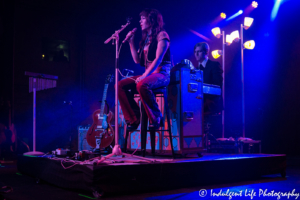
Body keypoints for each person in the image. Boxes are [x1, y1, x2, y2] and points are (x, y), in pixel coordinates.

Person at [118, 8, 171, 131]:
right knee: (119, 85)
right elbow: (137, 60)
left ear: (151, 19)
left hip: (161, 74)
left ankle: (156, 117)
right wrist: (131, 43)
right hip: (149, 74)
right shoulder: (146, 39)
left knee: (142, 84)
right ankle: (134, 118)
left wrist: (144, 75)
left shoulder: (162, 35)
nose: (140, 21)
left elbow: (158, 59)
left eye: (142, 18)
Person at [194, 42, 223, 114]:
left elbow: (218, 86)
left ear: (206, 52)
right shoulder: (196, 69)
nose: (196, 54)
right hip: (199, 107)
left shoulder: (214, 65)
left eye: (199, 51)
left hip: (212, 107)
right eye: (195, 52)